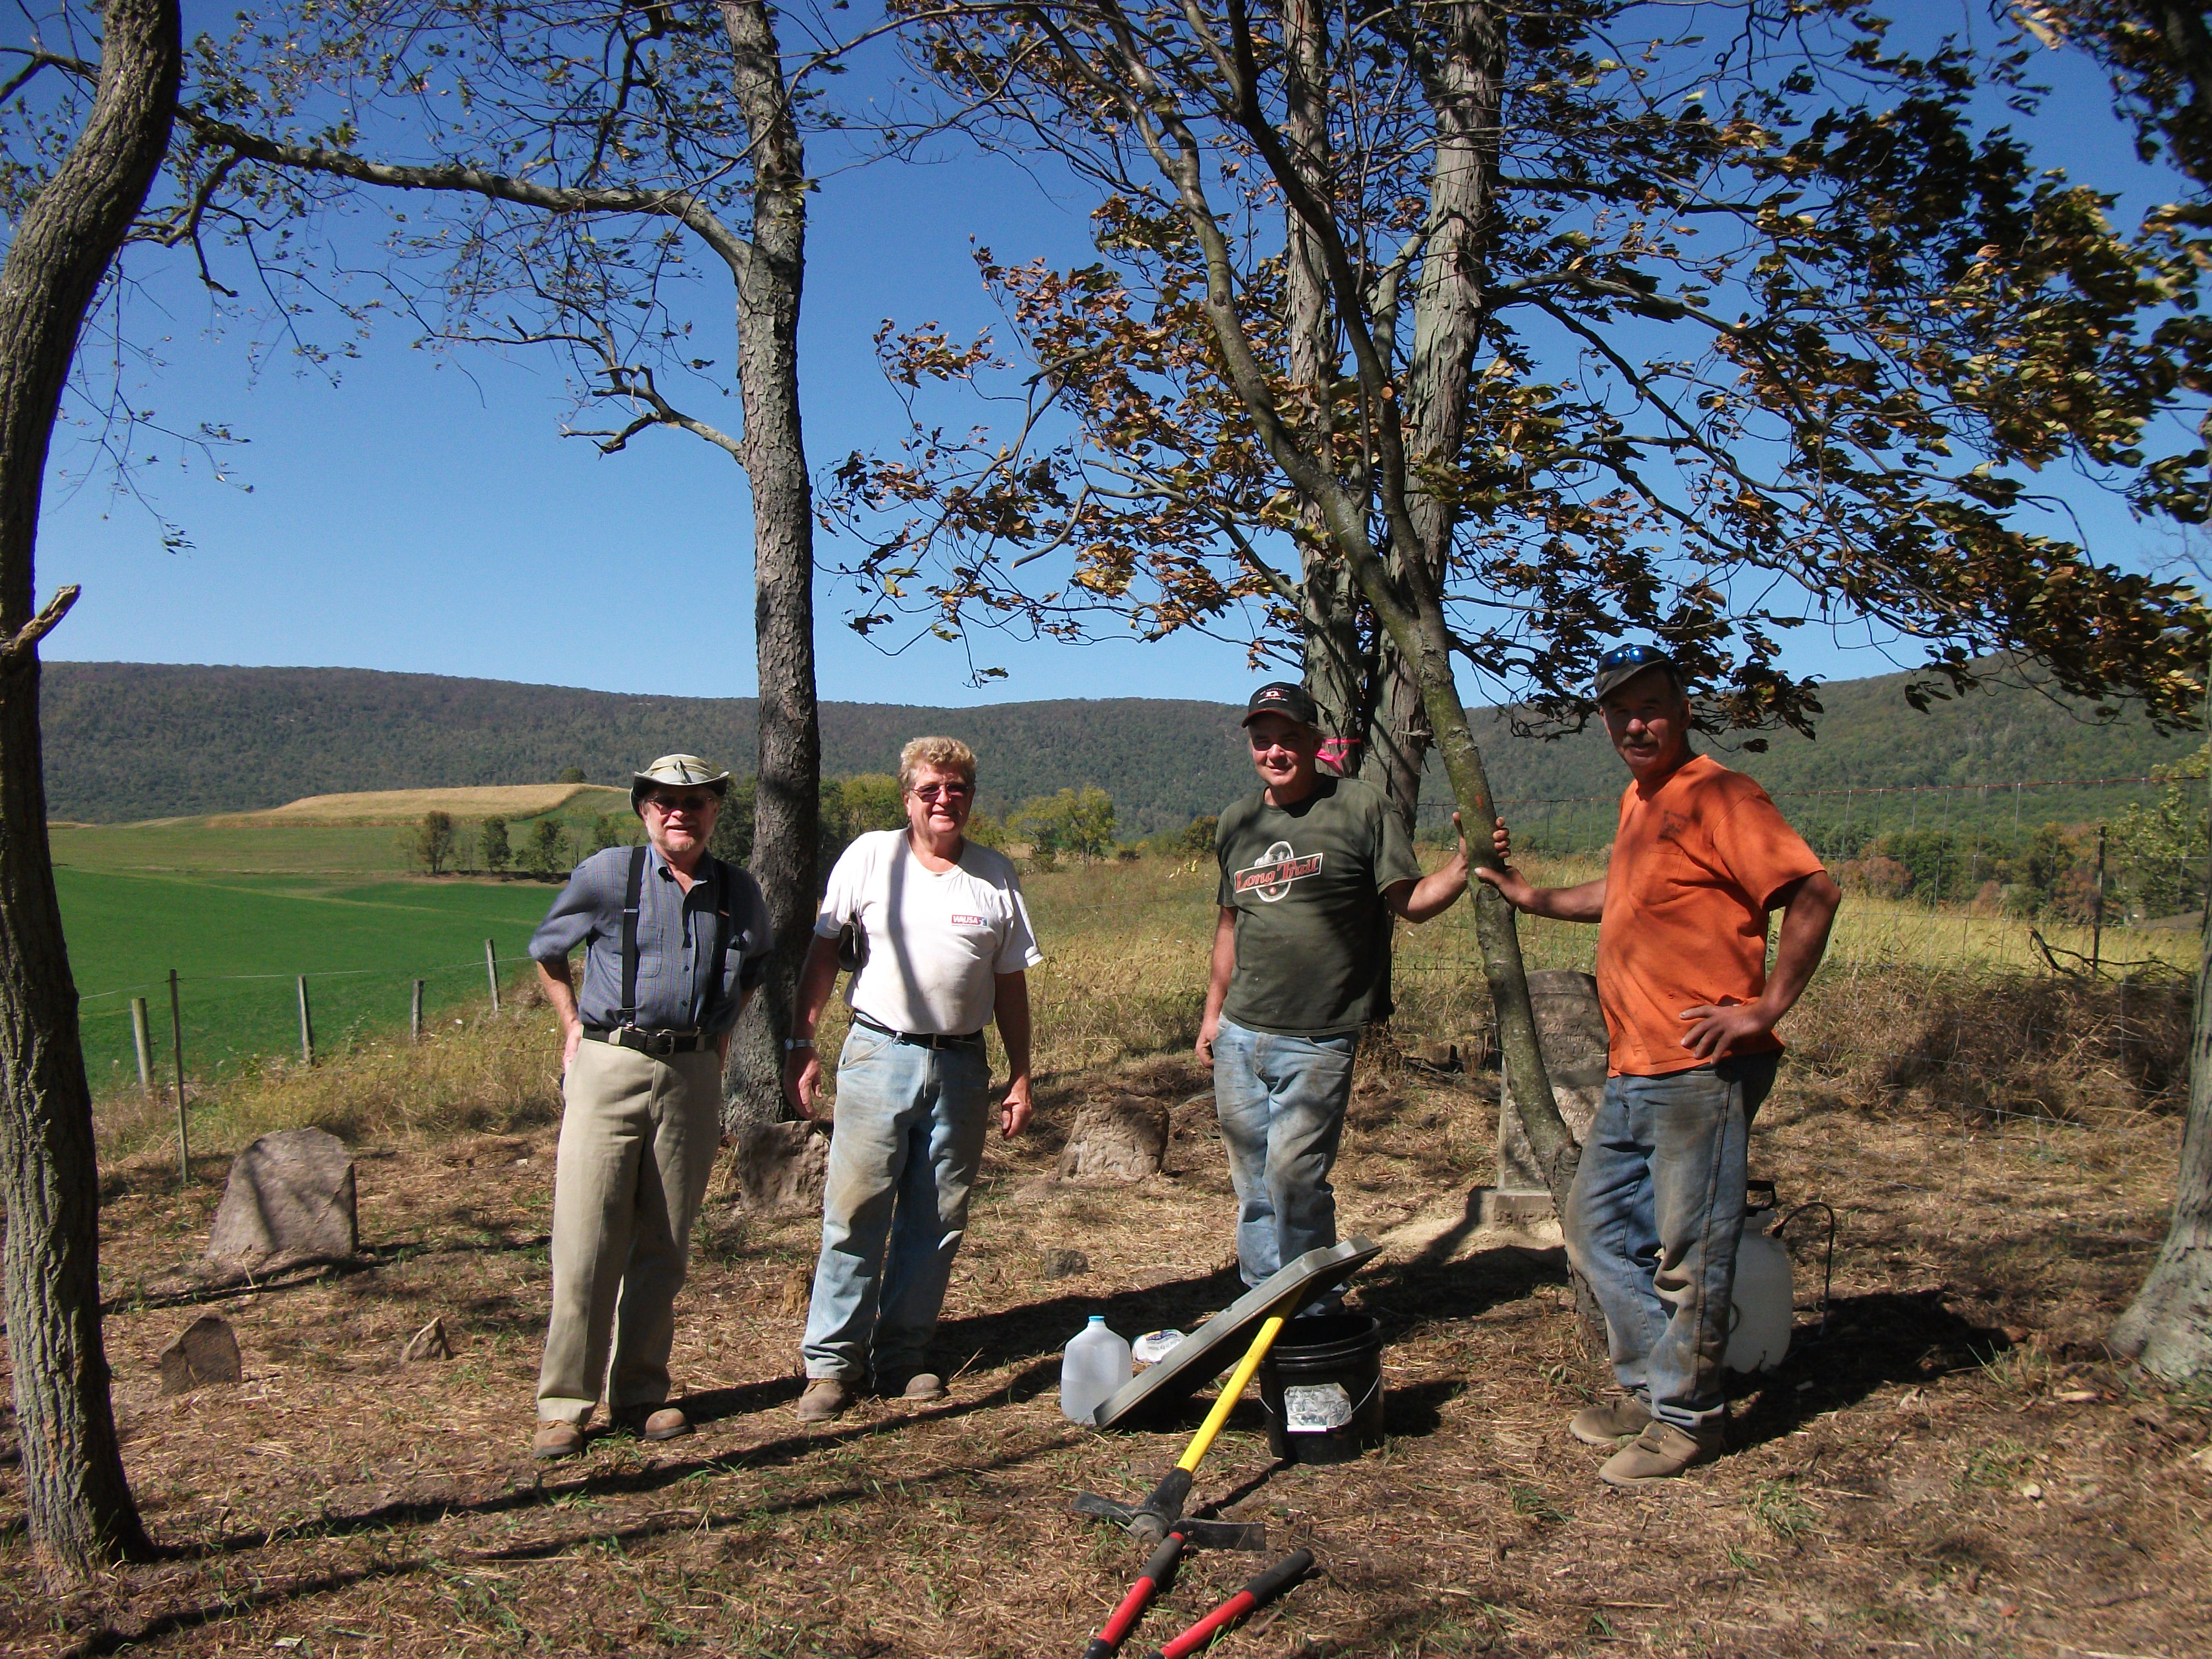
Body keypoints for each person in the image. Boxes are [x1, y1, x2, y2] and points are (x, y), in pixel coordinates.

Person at [1475, 644, 1841, 1486]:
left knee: (1692, 1251)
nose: (1634, 723)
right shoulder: (1642, 799)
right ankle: (1648, 1388)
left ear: (1682, 709)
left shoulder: (1721, 793)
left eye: (1650, 706)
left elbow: (1814, 891)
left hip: (1700, 1071)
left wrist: (1767, 1006)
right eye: (1617, 710)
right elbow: (1625, 892)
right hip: (1635, 1067)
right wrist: (1533, 896)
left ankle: (1689, 1421)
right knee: (1598, 1232)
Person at [785, 736, 1041, 1422]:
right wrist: (801, 1041)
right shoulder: (870, 856)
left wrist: (1019, 1074)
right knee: (856, 1211)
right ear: (908, 796)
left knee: (937, 1218)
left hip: (962, 1065)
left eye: (956, 789)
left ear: (970, 797)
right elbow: (821, 951)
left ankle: (902, 1355)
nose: (943, 800)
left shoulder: (994, 877)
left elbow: (1009, 984)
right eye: (930, 789)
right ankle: (833, 1366)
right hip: (878, 1054)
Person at [525, 754, 773, 1460]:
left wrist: (721, 1037)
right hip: (610, 1062)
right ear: (643, 809)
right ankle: (565, 1404)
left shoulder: (737, 889)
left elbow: (752, 967)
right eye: (665, 801)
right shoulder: (608, 874)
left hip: (694, 1071)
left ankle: (641, 1392)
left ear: (716, 812)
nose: (680, 813)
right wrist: (572, 1023)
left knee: (665, 1241)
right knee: (585, 1238)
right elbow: (547, 949)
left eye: (695, 803)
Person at [1197, 682, 1472, 1304]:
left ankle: (1313, 1305)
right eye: (1262, 740)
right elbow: (1228, 924)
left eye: (1288, 739)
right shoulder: (1238, 821)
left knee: (1295, 1177)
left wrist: (1461, 867)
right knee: (1253, 1188)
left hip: (1319, 1037)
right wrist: (1212, 1016)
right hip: (1241, 1034)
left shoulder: (1361, 807)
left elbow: (1410, 904)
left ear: (1314, 743)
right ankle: (1262, 1308)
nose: (1274, 752)